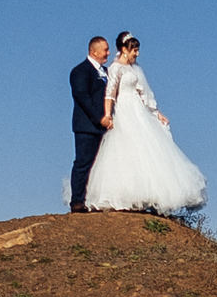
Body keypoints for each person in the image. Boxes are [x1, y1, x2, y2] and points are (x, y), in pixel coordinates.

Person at [83, 32, 207, 214]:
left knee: (147, 149)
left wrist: (157, 113)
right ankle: (125, 194)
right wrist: (108, 115)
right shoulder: (116, 69)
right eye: (134, 50)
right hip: (124, 110)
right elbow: (110, 94)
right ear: (124, 50)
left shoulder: (135, 69)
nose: (137, 54)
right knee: (126, 149)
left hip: (138, 110)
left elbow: (144, 93)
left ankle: (146, 197)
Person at [67, 33, 111, 212]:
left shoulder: (106, 72)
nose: (108, 53)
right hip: (86, 125)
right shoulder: (80, 71)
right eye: (105, 50)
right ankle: (77, 201)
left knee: (102, 163)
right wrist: (99, 118)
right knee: (83, 162)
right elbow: (82, 97)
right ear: (94, 52)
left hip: (105, 126)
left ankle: (96, 199)